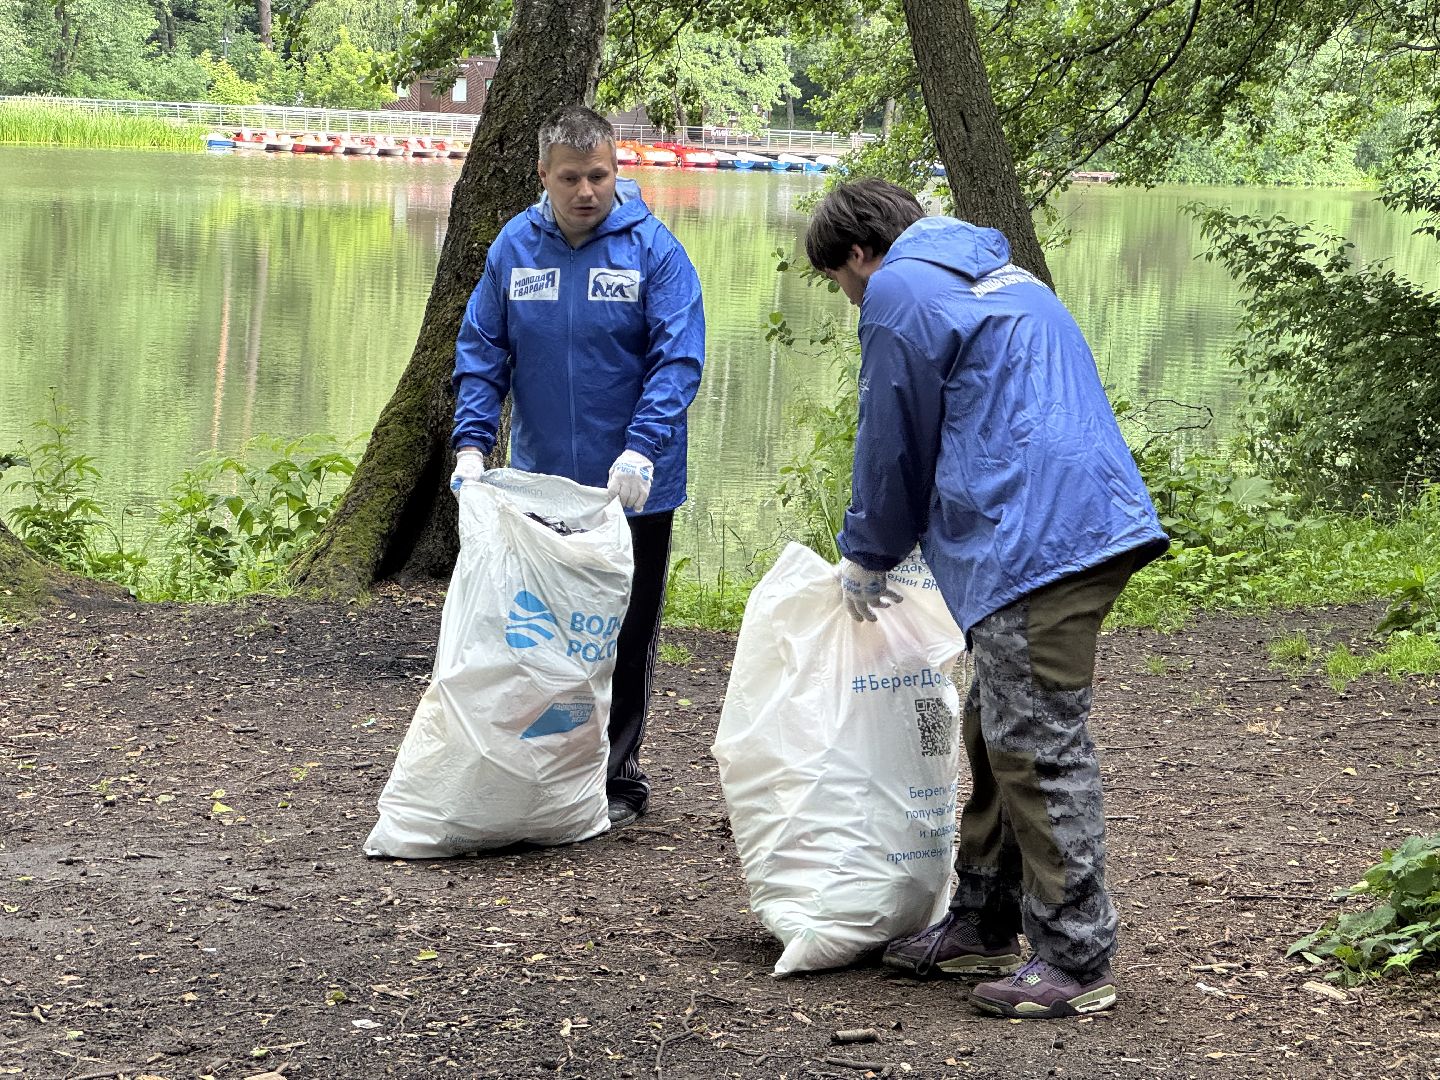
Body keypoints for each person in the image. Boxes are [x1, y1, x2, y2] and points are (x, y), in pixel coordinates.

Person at [805, 179, 1168, 1019]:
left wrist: (868, 551)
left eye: (839, 279)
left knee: (1036, 742)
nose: (849, 295)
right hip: (1078, 517)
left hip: (1038, 534)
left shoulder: (898, 286)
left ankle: (1077, 959)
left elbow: (892, 432)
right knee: (992, 722)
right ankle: (982, 918)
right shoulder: (993, 270)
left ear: (860, 253)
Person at [449, 105, 706, 831]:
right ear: (544, 176)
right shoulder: (515, 249)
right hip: (543, 484)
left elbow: (678, 358)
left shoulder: (654, 252)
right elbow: (481, 351)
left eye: (599, 175)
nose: (586, 191)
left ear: (618, 171)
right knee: (544, 632)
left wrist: (642, 447)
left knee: (625, 631)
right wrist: (473, 446)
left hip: (635, 486)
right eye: (571, 178)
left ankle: (618, 775)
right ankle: (551, 766)